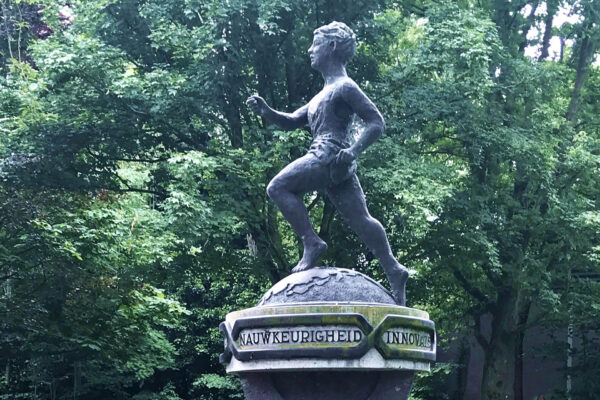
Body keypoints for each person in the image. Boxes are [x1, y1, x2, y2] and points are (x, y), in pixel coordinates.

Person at [246, 21, 408, 305]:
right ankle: (394, 269)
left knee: (277, 188)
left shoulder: (345, 87)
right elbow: (291, 121)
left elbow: (376, 123)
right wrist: (267, 111)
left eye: (315, 43)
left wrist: (354, 150)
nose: (310, 50)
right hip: (337, 164)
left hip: (328, 154)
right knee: (362, 220)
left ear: (332, 47)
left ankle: (312, 241)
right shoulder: (321, 94)